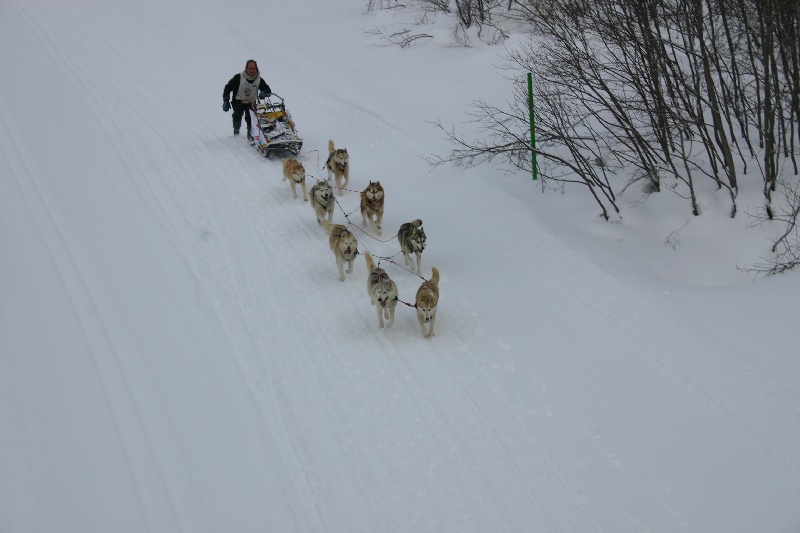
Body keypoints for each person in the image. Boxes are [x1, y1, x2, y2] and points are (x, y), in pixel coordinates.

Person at [222, 59, 272, 139]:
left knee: (251, 119)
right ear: (246, 68)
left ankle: (250, 136)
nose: (251, 71)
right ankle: (236, 132)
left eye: (253, 69)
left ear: (256, 69)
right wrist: (226, 100)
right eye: (249, 68)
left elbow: (268, 90)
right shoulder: (238, 77)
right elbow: (228, 88)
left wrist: (264, 93)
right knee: (237, 116)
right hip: (238, 101)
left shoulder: (259, 80)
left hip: (251, 102)